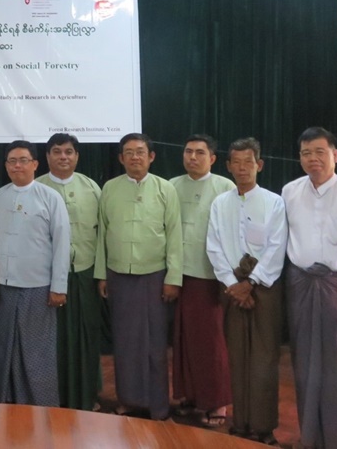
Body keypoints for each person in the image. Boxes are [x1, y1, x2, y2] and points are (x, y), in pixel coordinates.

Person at [282, 127, 337, 449]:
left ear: (335, 155)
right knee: (304, 363)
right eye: (306, 153)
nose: (312, 159)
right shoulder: (289, 191)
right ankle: (311, 438)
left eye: (319, 152)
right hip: (300, 284)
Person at [206, 137, 287, 445]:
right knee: (236, 357)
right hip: (231, 290)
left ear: (259, 165)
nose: (241, 168)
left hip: (264, 288)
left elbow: (277, 246)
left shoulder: (274, 202)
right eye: (235, 162)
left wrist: (251, 283)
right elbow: (214, 247)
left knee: (264, 359)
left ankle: (264, 428)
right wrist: (232, 284)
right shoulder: (220, 203)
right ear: (227, 166)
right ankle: (240, 423)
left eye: (247, 162)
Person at [95, 133, 182, 420]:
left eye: (140, 152)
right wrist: (102, 274)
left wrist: (173, 278)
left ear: (151, 156)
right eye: (129, 152)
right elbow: (102, 234)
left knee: (155, 343)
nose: (135, 157)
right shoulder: (109, 188)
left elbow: (175, 235)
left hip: (155, 275)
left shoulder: (165, 189)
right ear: (120, 158)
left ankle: (158, 405)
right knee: (125, 342)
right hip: (119, 274)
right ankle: (130, 400)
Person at [0, 140, 70, 407]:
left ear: (35, 164)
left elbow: (61, 243)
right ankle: (5, 399)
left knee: (37, 351)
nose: (17, 165)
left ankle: (40, 404)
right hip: (4, 285)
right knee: (4, 348)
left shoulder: (50, 197)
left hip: (39, 286)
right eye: (12, 161)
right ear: (5, 166)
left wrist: (59, 286)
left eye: (23, 160)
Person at [169, 134, 235, 427]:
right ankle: (189, 395)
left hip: (210, 275)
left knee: (211, 341)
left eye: (199, 152)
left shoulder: (225, 187)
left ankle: (216, 401)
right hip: (177, 273)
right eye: (188, 151)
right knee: (182, 339)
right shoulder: (171, 185)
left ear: (213, 158)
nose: (192, 157)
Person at [36, 133, 103, 411]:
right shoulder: (36, 187)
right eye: (56, 151)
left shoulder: (92, 188)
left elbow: (103, 235)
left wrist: (101, 275)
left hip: (85, 272)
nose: (63, 157)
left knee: (85, 337)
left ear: (77, 156)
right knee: (52, 338)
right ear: (47, 156)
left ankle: (86, 394)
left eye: (69, 151)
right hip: (46, 278)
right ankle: (53, 394)